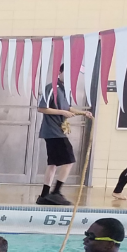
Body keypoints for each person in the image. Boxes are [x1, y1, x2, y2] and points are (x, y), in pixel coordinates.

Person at [36, 66, 93, 206]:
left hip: (58, 131)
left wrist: (82, 113)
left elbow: (67, 108)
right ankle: (55, 192)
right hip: (52, 131)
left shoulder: (66, 89)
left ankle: (44, 195)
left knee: (53, 163)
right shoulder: (51, 88)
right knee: (69, 160)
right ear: (59, 72)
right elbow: (41, 108)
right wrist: (62, 113)